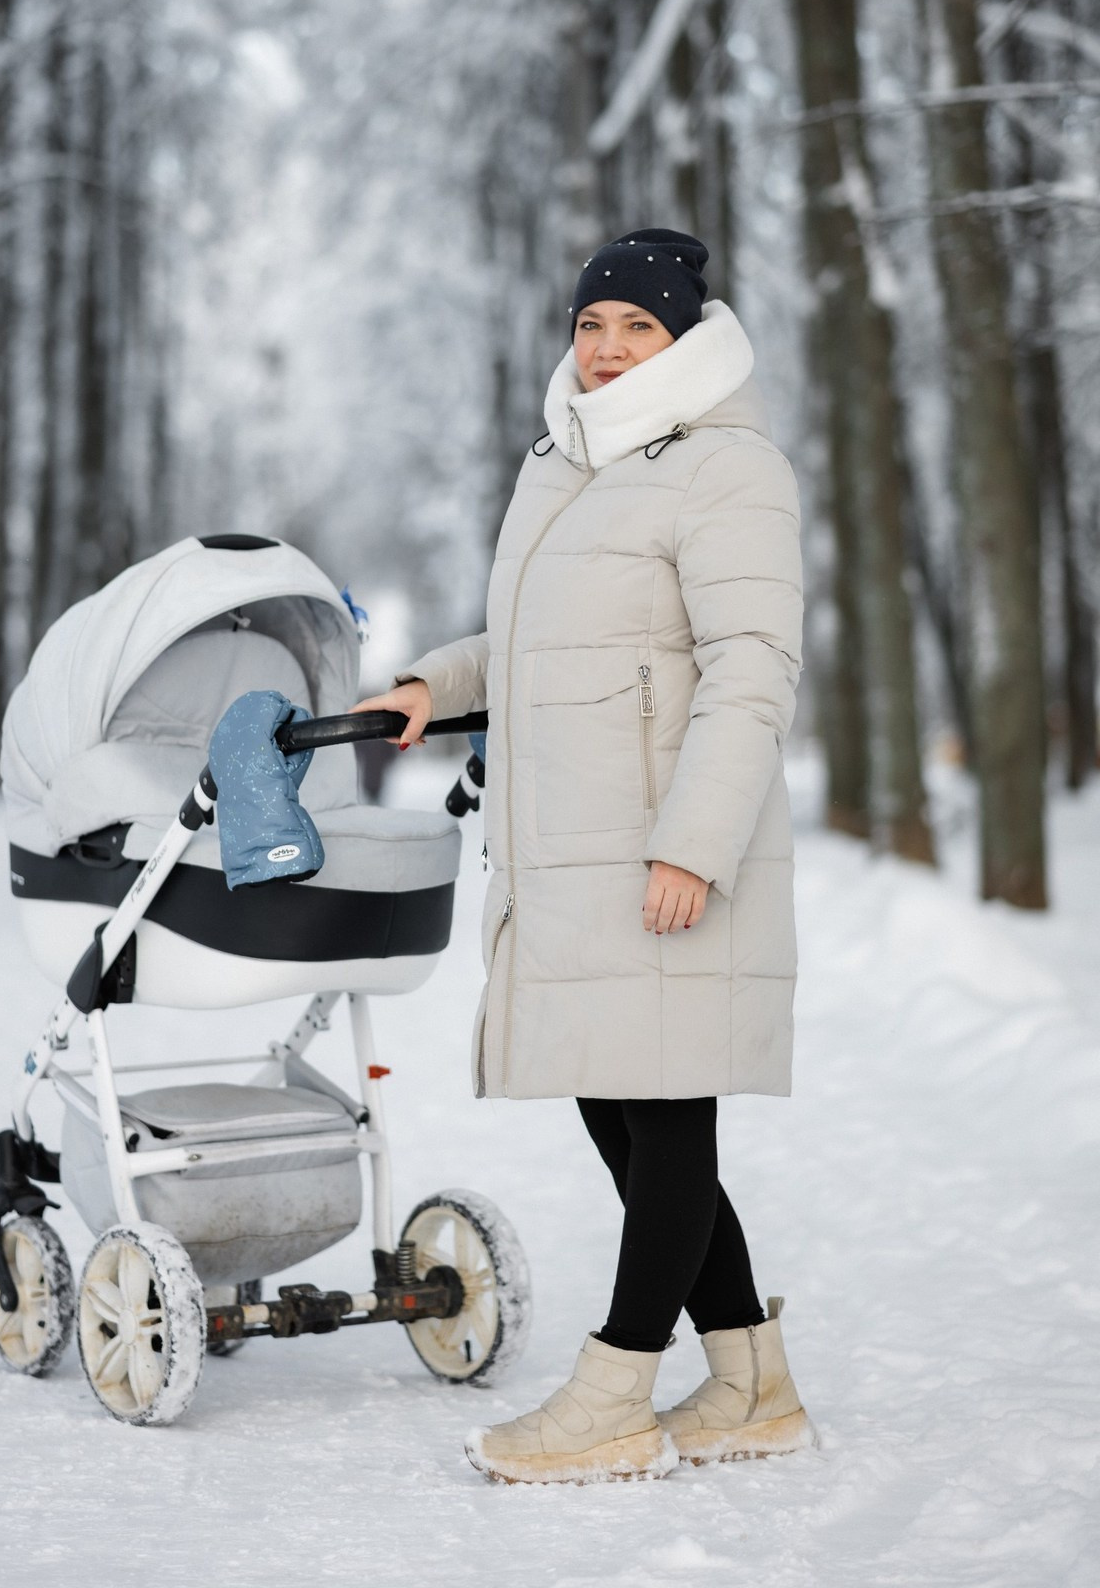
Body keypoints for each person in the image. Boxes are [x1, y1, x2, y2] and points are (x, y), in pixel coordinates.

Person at [353, 227, 813, 1485]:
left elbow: (749, 668)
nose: (605, 351)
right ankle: (749, 1387)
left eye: (636, 329)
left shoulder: (726, 468)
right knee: (620, 1114)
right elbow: (527, 646)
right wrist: (426, 688)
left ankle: (613, 1394)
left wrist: (693, 848)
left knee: (663, 1123)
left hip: (659, 852)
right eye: (589, 325)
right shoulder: (565, 461)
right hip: (567, 853)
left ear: (686, 340)